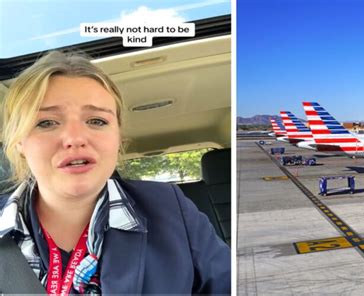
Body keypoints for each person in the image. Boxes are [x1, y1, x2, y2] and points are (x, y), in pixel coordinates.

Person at [0, 51, 231, 294]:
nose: (75, 138)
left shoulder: (171, 210)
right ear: (19, 142)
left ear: (118, 137)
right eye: (46, 122)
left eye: (97, 121)